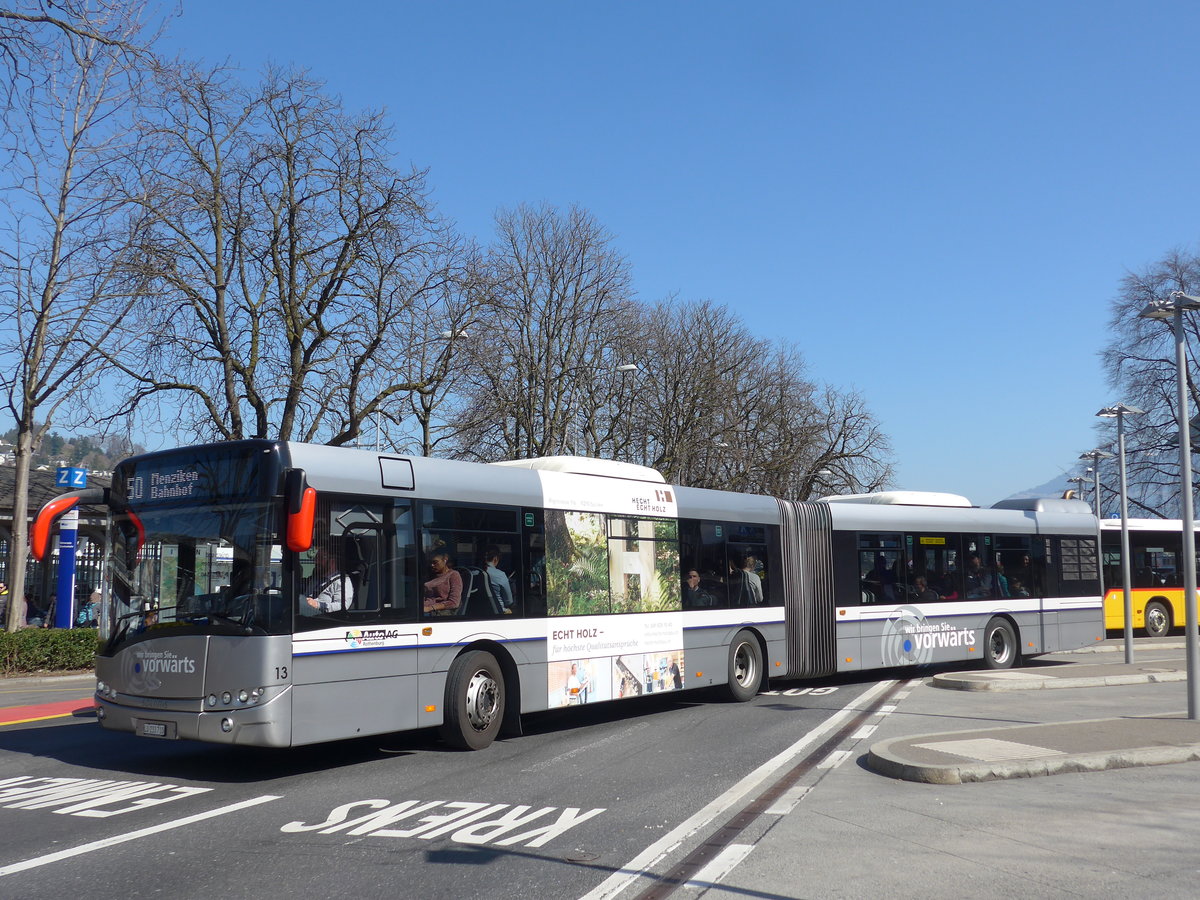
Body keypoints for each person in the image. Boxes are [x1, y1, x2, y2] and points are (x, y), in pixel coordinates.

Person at [302, 545, 354, 615]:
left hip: (326, 620)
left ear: (332, 561)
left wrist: (318, 605)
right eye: (316, 558)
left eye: (320, 558)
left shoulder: (342, 582)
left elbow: (342, 606)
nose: (316, 561)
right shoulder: (315, 579)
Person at [423, 550, 462, 615]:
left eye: (435, 562)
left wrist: (430, 608)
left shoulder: (453, 575)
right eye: (430, 563)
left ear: (445, 560)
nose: (432, 565)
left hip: (438, 612)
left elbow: (454, 602)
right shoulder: (431, 575)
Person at [483, 546, 514, 610]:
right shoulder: (500, 575)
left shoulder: (472, 573)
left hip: (478, 612)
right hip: (498, 612)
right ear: (495, 558)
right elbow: (509, 601)